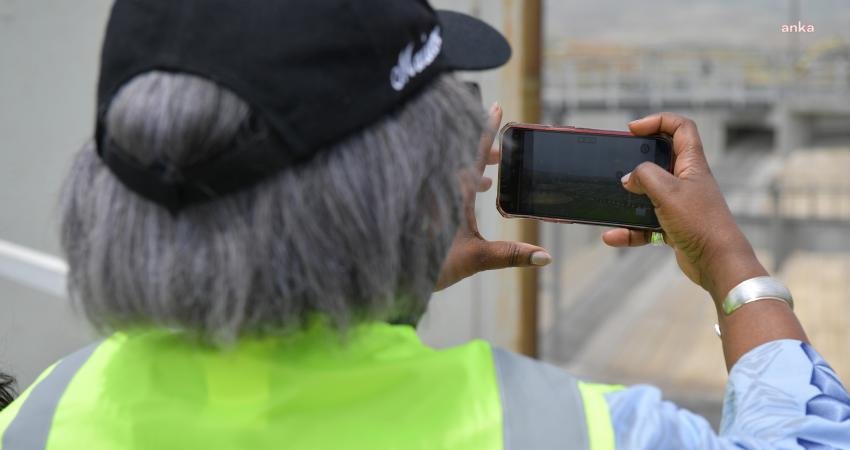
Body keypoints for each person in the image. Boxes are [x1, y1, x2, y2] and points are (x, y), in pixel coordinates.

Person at [0, 1, 848, 449]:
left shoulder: (39, 416)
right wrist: (733, 267)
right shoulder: (574, 432)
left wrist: (372, 277)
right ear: (396, 191)